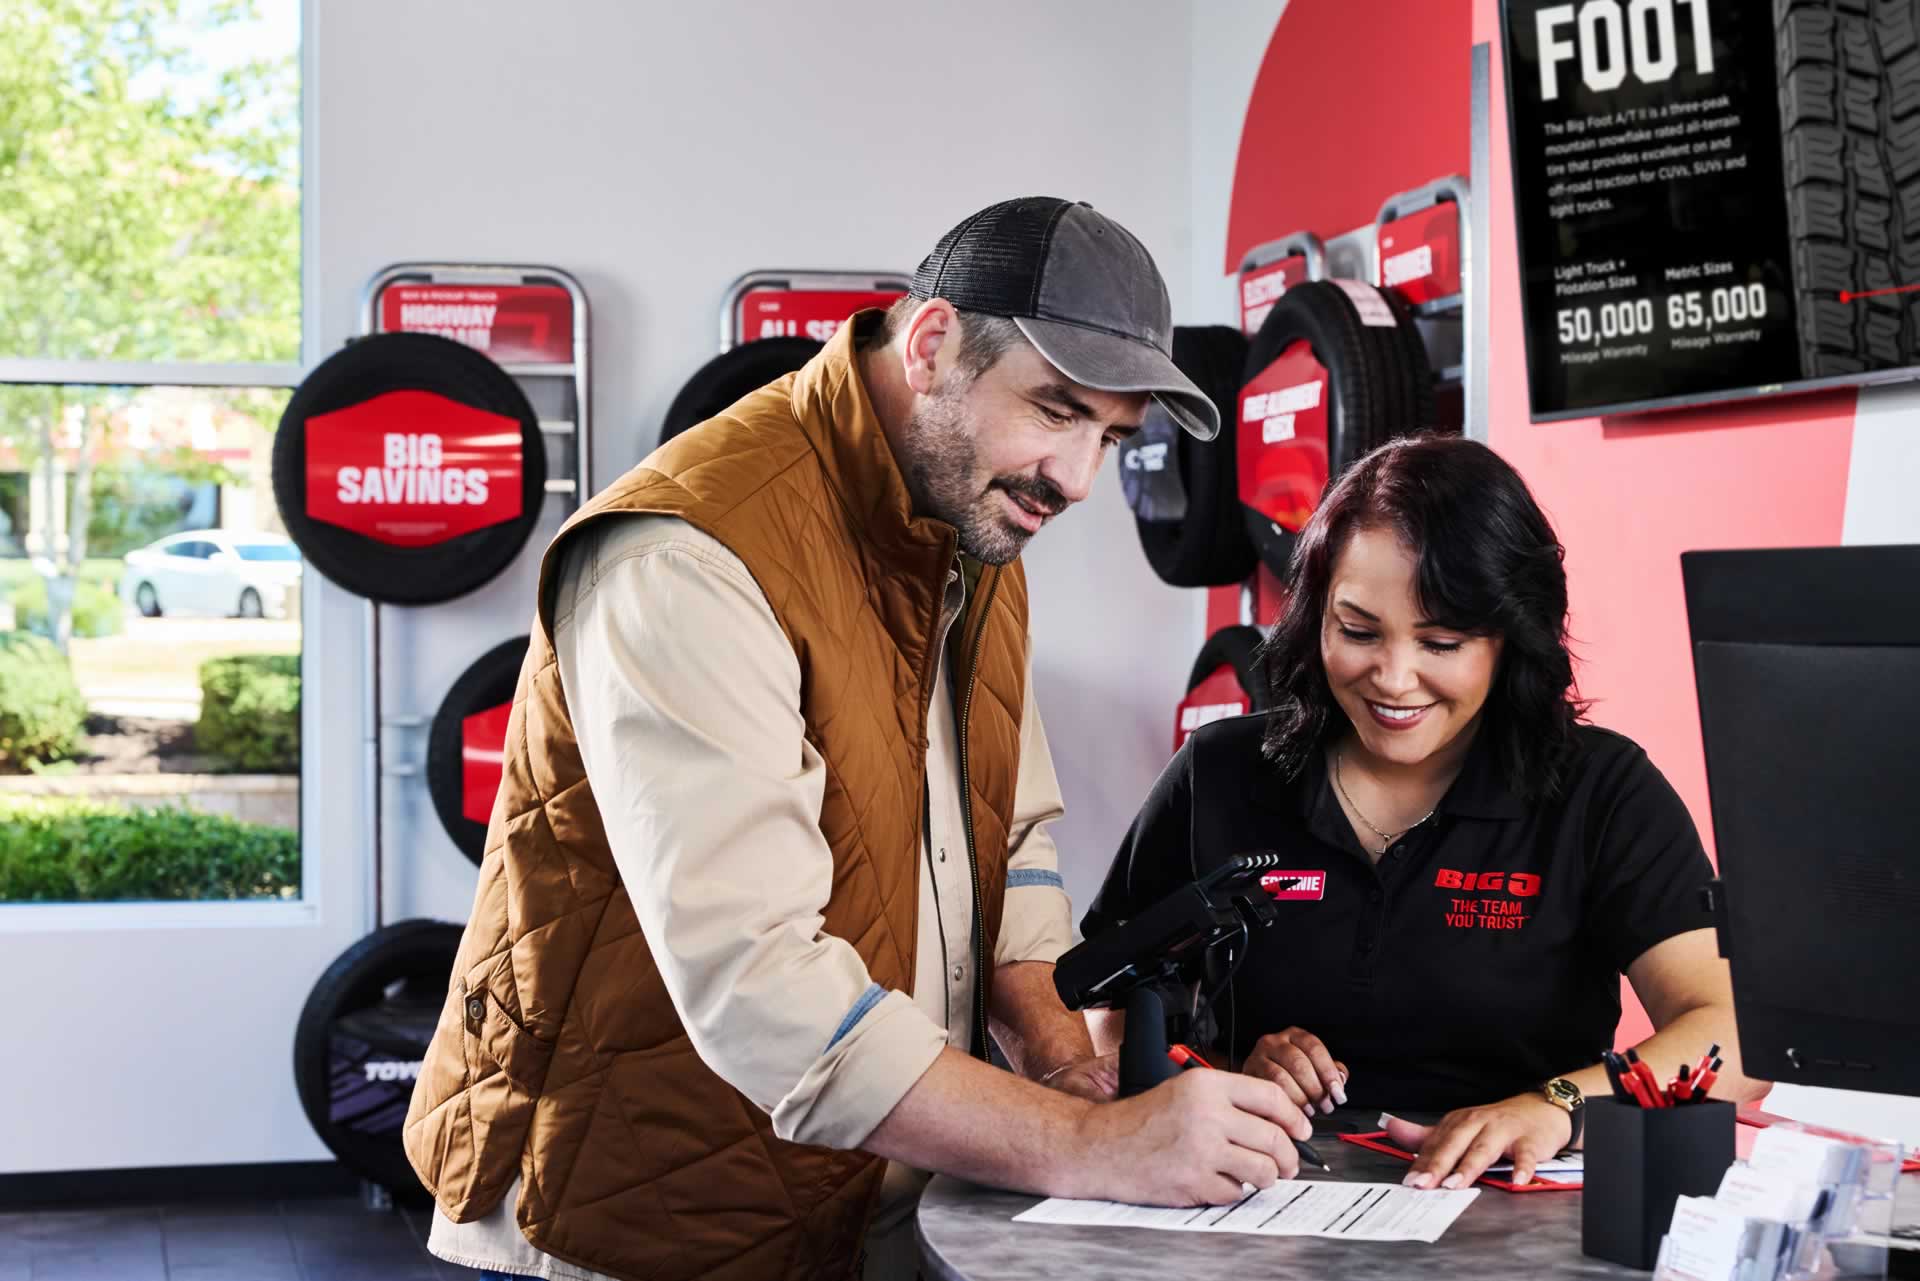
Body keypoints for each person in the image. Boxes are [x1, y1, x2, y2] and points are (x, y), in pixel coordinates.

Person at [405, 196, 1314, 1281]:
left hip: (864, 1186)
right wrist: (1094, 1147)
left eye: (1111, 438)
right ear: (931, 345)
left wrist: (1067, 1071)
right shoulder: (688, 554)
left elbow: (1006, 845)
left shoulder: (975, 525)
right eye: (1058, 411)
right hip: (636, 1207)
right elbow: (759, 983)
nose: (1075, 481)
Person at [1082, 434, 1766, 1193]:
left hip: (1514, 1224)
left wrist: (1560, 1104)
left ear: (1512, 638)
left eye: (1441, 641)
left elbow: (1739, 1038)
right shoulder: (1218, 774)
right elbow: (1098, 1018)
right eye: (1358, 631)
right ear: (1314, 616)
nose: (1394, 678)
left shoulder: (1601, 790)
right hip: (1250, 1213)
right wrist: (1221, 1074)